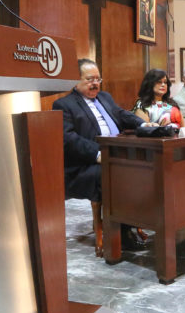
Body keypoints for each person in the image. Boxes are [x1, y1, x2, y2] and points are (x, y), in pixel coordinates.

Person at [54, 58, 153, 255]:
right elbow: (68, 139)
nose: (95, 84)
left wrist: (142, 125)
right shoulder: (64, 104)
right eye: (90, 79)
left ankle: (138, 219)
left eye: (98, 79)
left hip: (114, 157)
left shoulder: (105, 97)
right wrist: (97, 153)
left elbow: (122, 114)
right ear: (76, 80)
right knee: (115, 174)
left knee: (142, 168)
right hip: (84, 165)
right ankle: (119, 232)